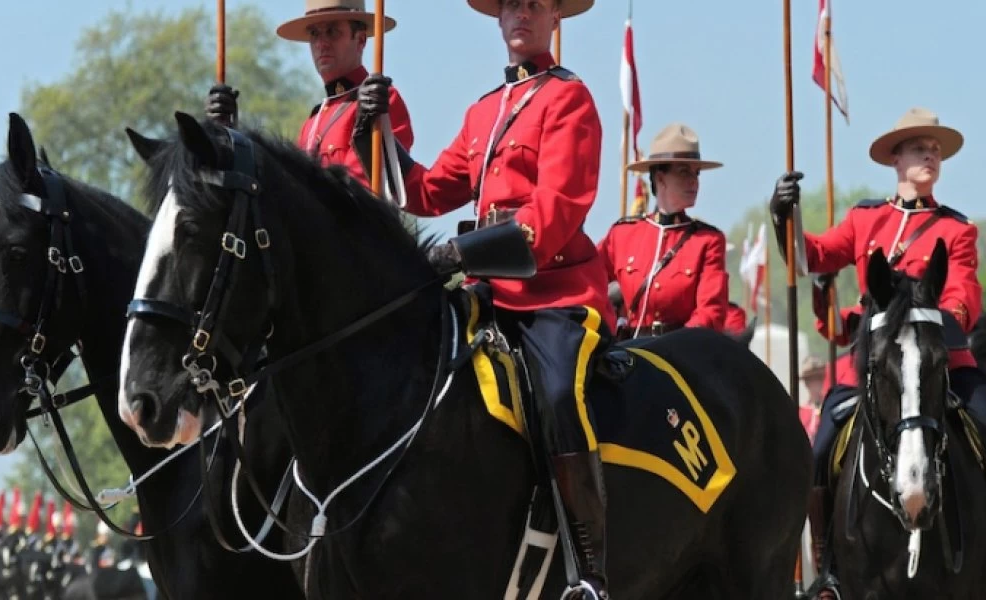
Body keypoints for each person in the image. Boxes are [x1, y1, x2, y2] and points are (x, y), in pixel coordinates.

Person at [352, 0, 607, 596]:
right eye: (512, 5)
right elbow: (423, 191)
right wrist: (377, 131)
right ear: (498, 20)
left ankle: (588, 566)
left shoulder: (569, 98)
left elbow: (557, 211)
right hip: (488, 294)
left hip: (555, 292)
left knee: (558, 391)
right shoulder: (483, 112)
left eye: (535, 5)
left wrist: (465, 254)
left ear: (554, 19)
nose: (522, 14)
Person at [770, 107, 986, 598]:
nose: (930, 156)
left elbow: (963, 297)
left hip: (942, 363)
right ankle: (828, 565)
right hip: (877, 368)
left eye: (936, 150)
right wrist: (782, 216)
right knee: (821, 447)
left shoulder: (956, 230)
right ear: (895, 158)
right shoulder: (864, 218)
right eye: (920, 148)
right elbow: (811, 256)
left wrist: (932, 316)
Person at [205, 0, 413, 190]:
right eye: (314, 34)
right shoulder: (313, 122)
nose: (321, 43)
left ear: (360, 40)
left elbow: (363, 197)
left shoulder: (382, 102)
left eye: (332, 32)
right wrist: (230, 136)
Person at [597, 123, 730, 339]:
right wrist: (613, 323)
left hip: (681, 354)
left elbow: (711, 313)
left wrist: (676, 347)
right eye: (684, 172)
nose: (693, 181)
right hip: (627, 350)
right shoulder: (622, 235)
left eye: (696, 173)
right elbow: (588, 284)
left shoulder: (707, 240)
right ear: (659, 178)